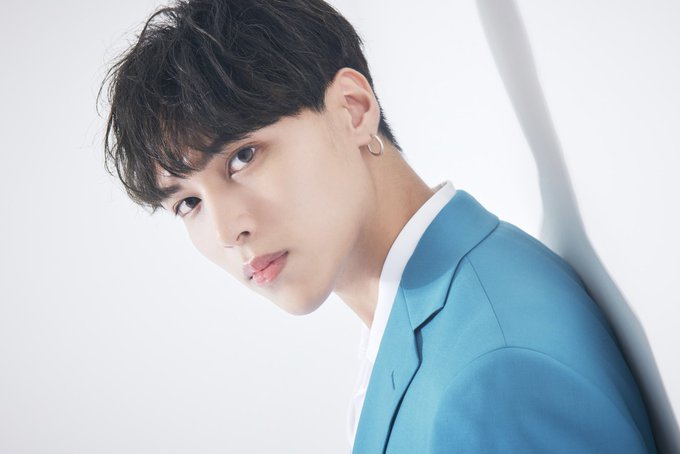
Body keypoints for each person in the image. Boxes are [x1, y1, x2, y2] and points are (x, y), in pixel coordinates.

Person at [101, 0, 657, 452]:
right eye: (187, 203)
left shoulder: (492, 377)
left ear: (353, 108)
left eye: (242, 157)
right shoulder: (428, 318)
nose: (226, 231)